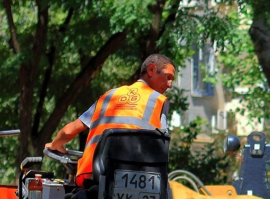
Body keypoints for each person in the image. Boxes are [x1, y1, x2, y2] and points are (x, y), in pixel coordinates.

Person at [46, 54, 176, 186]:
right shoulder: (159, 101)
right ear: (151, 70)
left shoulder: (109, 96)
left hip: (92, 176)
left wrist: (54, 145)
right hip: (135, 180)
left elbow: (69, 131)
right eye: (168, 77)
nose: (170, 85)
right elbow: (161, 147)